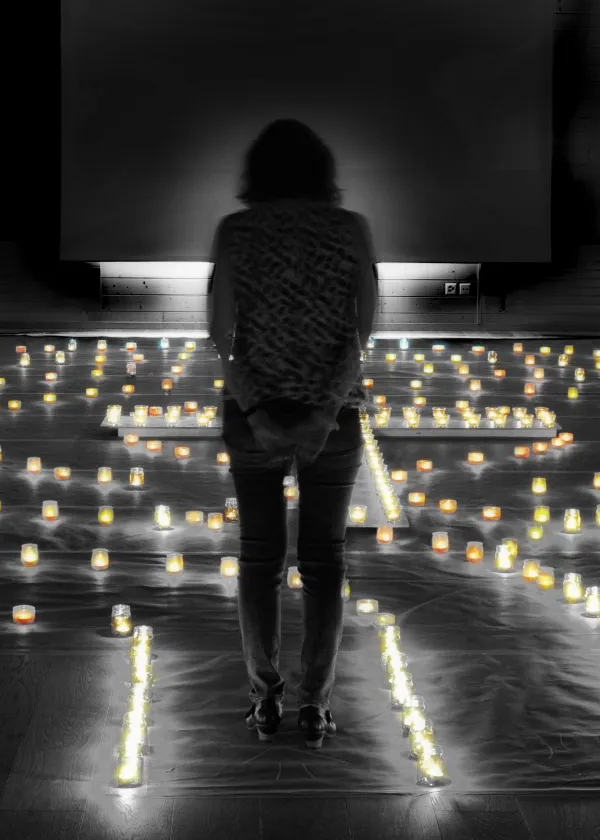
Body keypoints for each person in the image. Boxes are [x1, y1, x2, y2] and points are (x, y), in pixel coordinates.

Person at [207, 118, 378, 749]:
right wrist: (324, 413)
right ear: (321, 170)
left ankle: (265, 701)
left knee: (260, 563)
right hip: (334, 421)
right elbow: (361, 332)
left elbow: (221, 335)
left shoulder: (235, 231)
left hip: (254, 418)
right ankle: (316, 707)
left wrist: (256, 413)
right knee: (325, 563)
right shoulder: (350, 229)